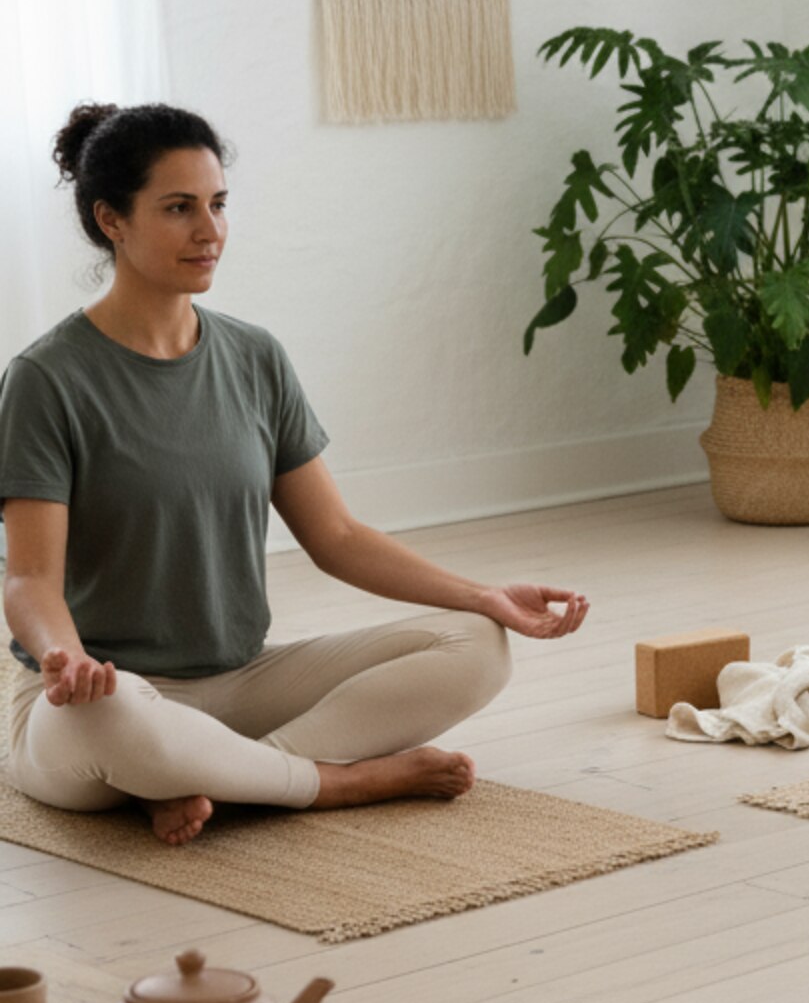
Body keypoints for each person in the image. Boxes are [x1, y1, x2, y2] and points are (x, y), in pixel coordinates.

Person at [1, 102, 589, 849]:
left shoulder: (254, 358)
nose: (209, 230)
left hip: (240, 682)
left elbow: (337, 536)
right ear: (111, 220)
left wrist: (486, 595)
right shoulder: (46, 379)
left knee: (477, 642)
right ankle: (331, 783)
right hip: (108, 695)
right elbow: (28, 581)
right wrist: (66, 658)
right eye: (178, 208)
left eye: (217, 204)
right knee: (111, 716)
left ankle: (220, 778)